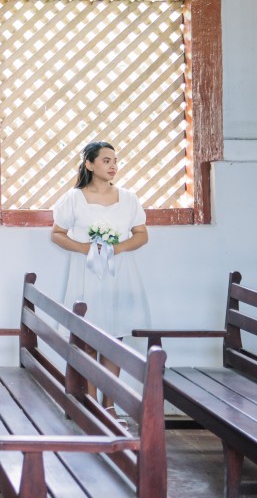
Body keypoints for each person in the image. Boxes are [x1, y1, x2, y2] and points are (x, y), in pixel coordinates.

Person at [50, 141, 150, 409]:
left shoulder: (128, 198)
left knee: (114, 341)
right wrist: (85, 248)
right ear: (89, 164)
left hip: (118, 275)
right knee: (87, 339)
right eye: (106, 161)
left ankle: (109, 407)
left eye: (115, 161)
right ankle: (91, 406)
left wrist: (116, 248)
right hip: (86, 275)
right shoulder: (74, 198)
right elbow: (57, 234)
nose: (113, 166)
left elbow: (142, 235)